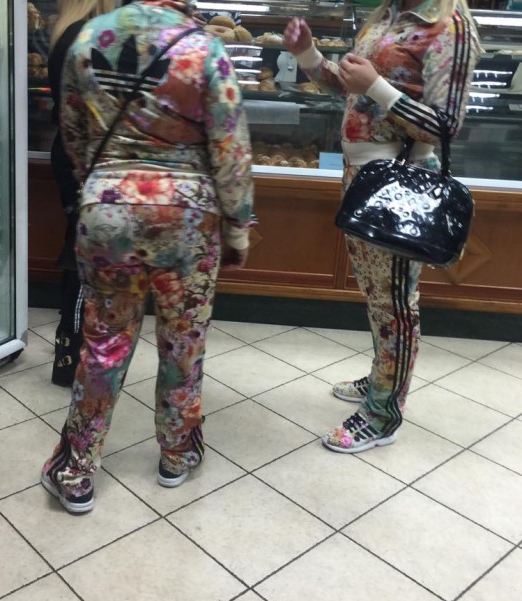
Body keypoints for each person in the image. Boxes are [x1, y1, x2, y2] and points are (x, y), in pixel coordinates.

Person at [41, 0, 254, 513]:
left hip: (108, 210)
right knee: (184, 341)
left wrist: (106, 186)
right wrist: (238, 226)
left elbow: (72, 133)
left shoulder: (88, 38)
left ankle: (76, 469)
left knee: (104, 342)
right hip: (188, 216)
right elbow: (230, 148)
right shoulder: (205, 47)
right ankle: (177, 454)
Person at [284, 0, 480, 453]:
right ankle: (381, 379)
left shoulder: (449, 24)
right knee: (378, 296)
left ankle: (383, 413)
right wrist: (308, 53)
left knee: (394, 303)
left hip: (399, 183)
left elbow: (446, 127)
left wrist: (377, 86)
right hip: (364, 178)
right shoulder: (389, 13)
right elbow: (349, 88)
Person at [48, 0, 114, 387]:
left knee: (79, 253)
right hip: (83, 158)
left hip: (73, 153)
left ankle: (71, 343)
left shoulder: (68, 32)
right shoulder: (86, 37)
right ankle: (68, 358)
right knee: (81, 260)